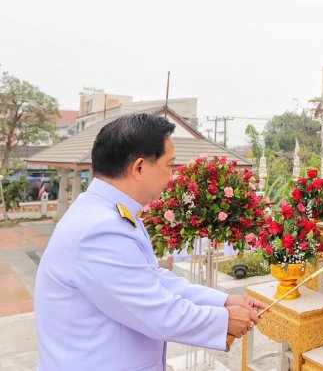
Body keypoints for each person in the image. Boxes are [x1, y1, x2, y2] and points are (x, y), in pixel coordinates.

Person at [35, 113, 263, 370]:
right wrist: (224, 320)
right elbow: (157, 312)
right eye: (169, 165)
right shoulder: (101, 230)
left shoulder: (110, 213)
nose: (172, 176)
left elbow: (150, 279)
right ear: (139, 167)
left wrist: (222, 301)